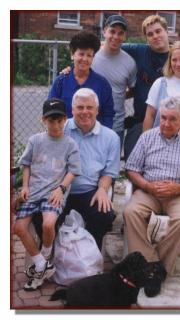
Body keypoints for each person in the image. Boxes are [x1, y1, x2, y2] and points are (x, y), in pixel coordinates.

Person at [124, 96, 180, 297]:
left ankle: (156, 268)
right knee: (131, 211)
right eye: (163, 117)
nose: (166, 123)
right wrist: (147, 185)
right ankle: (151, 265)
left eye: (173, 119)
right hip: (149, 192)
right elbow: (131, 169)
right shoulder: (147, 137)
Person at [14, 98, 81, 291]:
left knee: (48, 223)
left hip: (54, 193)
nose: (56, 125)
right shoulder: (35, 140)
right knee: (18, 227)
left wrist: (61, 189)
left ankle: (43, 258)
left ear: (65, 120)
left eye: (60, 120)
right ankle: (43, 264)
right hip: (33, 192)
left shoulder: (70, 144)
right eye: (51, 120)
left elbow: (73, 171)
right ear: (43, 120)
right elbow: (25, 164)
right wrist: (25, 186)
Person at [123, 15, 180, 160]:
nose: (178, 63)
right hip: (144, 123)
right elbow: (110, 45)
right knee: (134, 162)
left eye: (158, 31)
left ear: (166, 31)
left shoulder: (179, 55)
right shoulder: (141, 53)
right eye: (150, 34)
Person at [61, 15, 137, 148]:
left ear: (125, 36)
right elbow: (77, 71)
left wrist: (115, 96)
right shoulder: (91, 56)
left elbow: (133, 90)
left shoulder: (130, 63)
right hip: (85, 122)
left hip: (114, 125)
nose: (116, 36)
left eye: (120, 33)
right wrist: (67, 70)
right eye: (112, 31)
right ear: (104, 31)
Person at [62, 88, 120, 250]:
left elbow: (109, 172)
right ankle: (51, 258)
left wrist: (102, 189)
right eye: (80, 107)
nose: (85, 112)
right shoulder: (61, 129)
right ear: (72, 110)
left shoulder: (110, 138)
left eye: (89, 107)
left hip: (90, 190)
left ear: (97, 110)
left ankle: (91, 257)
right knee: (43, 215)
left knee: (104, 214)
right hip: (61, 189)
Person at [49, 31, 115, 128]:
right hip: (65, 136)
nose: (84, 59)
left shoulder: (102, 84)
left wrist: (103, 136)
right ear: (73, 54)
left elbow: (108, 114)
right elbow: (51, 110)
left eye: (89, 55)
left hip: (94, 138)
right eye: (81, 54)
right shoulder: (60, 82)